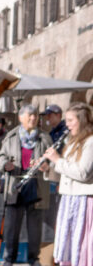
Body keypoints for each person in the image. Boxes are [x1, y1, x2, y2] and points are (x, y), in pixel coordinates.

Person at [0, 104, 53, 266]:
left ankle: (34, 259)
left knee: (35, 228)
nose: (33, 118)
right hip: (15, 185)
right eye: (29, 115)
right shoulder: (11, 136)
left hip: (36, 184)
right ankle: (9, 259)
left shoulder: (45, 137)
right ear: (21, 118)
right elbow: (0, 157)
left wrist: (46, 166)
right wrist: (5, 164)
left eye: (35, 115)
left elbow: (53, 159)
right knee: (12, 227)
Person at [43, 102, 93, 266]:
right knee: (69, 245)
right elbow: (66, 173)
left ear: (82, 120)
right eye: (67, 120)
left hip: (83, 200)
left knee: (81, 246)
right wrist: (48, 168)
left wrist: (57, 159)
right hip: (69, 198)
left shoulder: (90, 142)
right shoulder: (72, 142)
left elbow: (83, 173)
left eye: (71, 120)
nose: (67, 125)